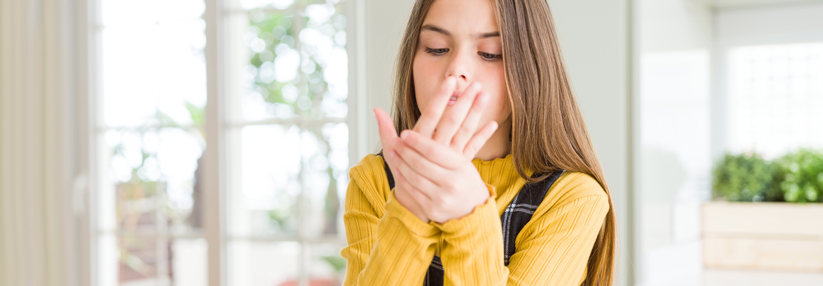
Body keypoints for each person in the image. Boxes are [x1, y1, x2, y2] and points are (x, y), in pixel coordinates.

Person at [340, 0, 617, 285]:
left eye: (489, 53)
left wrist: (469, 217)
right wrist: (409, 212)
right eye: (436, 48)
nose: (456, 69)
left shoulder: (574, 197)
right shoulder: (374, 181)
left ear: (532, 68)